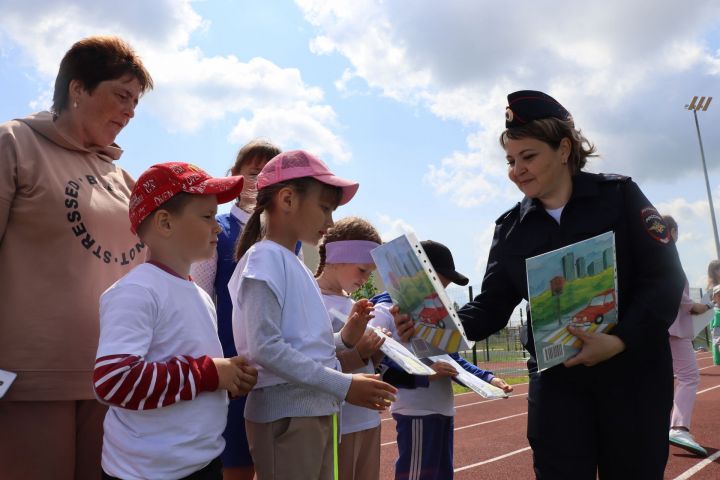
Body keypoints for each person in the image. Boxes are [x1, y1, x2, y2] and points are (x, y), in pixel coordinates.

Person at [395, 91, 685, 479]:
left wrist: (619, 340)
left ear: (564, 149)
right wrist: (434, 321)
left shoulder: (620, 196)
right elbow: (492, 306)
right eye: (511, 161)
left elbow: (665, 279)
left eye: (528, 156)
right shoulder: (511, 229)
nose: (517, 170)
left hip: (632, 377)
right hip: (558, 386)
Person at [0, 36, 153, 480]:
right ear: (78, 89)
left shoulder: (123, 178)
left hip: (115, 376)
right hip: (31, 380)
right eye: (121, 95)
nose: (129, 111)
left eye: (136, 103)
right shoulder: (15, 143)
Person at [229, 150, 397, 480]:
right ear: (287, 199)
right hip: (287, 417)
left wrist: (346, 337)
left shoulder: (294, 264)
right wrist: (345, 385)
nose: (330, 222)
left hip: (314, 412)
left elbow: (305, 344)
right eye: (325, 208)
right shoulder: (264, 259)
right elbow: (266, 348)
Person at [93, 162, 258, 479]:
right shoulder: (136, 291)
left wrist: (228, 381)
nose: (218, 227)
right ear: (165, 223)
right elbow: (113, 380)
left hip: (203, 462)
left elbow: (192, 377)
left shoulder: (199, 295)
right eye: (207, 216)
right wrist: (210, 374)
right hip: (146, 472)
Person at [372, 239, 513, 480]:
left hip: (442, 410)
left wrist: (489, 379)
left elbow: (454, 359)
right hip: (415, 411)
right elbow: (379, 364)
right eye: (437, 285)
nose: (440, 295)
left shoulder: (433, 316)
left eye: (443, 290)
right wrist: (426, 375)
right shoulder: (384, 312)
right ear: (416, 275)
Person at [191, 139, 281, 480]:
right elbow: (200, 297)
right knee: (238, 464)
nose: (260, 183)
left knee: (277, 464)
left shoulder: (290, 241)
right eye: (254, 173)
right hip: (236, 367)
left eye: (270, 177)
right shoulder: (220, 230)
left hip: (279, 371)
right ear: (235, 176)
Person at [315, 216, 386, 480]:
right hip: (336, 425)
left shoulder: (350, 301)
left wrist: (378, 350)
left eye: (370, 272)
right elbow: (310, 364)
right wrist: (360, 353)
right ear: (337, 257)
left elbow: (366, 363)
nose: (366, 278)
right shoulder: (312, 298)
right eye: (362, 270)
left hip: (367, 419)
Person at [662, 216, 710, 456]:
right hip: (674, 328)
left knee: (657, 379)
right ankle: (679, 426)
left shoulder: (654, 251)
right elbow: (677, 291)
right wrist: (696, 307)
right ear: (673, 231)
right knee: (689, 376)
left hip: (660, 326)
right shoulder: (668, 251)